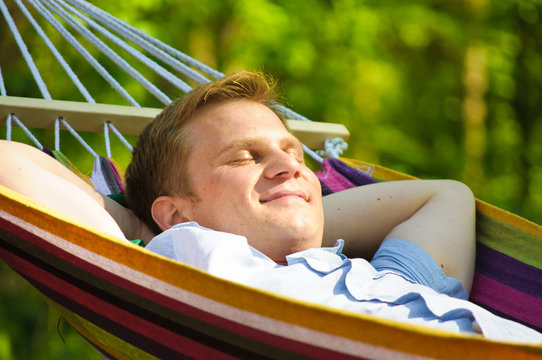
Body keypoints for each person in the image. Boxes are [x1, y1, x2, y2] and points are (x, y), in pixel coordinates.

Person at [0, 72, 540, 343]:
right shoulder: (188, 264)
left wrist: (302, 216)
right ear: (173, 216)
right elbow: (9, 163)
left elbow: (446, 195)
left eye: (293, 154)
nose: (290, 168)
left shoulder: (390, 280)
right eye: (245, 158)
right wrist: (146, 223)